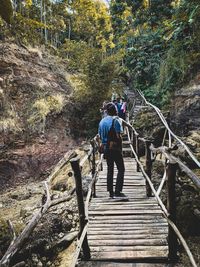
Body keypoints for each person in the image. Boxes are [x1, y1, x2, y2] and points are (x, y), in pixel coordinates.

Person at [98, 102, 126, 198]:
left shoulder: (101, 122)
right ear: (114, 110)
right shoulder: (116, 121)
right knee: (121, 169)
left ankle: (110, 191)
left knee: (110, 169)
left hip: (106, 148)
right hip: (115, 148)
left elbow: (100, 136)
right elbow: (118, 136)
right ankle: (117, 190)